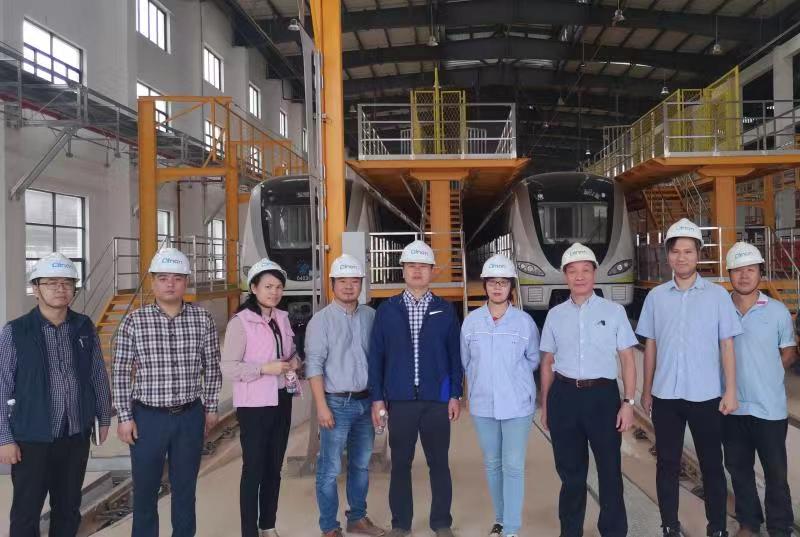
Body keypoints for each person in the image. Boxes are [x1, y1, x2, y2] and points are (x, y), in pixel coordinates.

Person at [636, 218, 741, 537]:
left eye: (688, 251)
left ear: (699, 255)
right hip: (666, 396)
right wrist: (646, 390)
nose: (681, 257)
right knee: (667, 464)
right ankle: (669, 524)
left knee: (711, 464)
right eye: (676, 251)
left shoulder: (717, 296)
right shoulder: (656, 297)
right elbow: (651, 346)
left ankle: (717, 527)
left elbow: (727, 345)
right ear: (668, 255)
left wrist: (731, 390)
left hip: (705, 395)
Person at [0, 252, 112, 537]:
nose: (60, 288)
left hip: (74, 435)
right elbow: (2, 385)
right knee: (26, 513)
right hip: (31, 439)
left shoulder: (84, 326)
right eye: (51, 283)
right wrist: (4, 438)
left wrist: (103, 416)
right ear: (36, 288)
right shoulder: (16, 331)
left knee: (68, 509)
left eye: (67, 283)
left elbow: (97, 374)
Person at [113, 247, 223, 537]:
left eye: (177, 278)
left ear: (186, 282)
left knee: (185, 490)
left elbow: (212, 367)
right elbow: (121, 372)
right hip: (148, 419)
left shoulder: (203, 319)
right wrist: (124, 417)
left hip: (189, 416)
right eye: (163, 278)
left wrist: (211, 407)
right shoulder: (134, 322)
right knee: (145, 492)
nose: (170, 284)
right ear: (152, 282)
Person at [538, 243, 638, 537]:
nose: (579, 276)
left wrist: (628, 402)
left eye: (585, 270)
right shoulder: (555, 315)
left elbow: (627, 359)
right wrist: (546, 404)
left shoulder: (614, 311)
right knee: (571, 474)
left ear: (594, 273)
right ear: (565, 276)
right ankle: (570, 531)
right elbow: (547, 363)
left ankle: (613, 531)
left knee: (610, 471)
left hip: (602, 399)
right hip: (564, 397)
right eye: (573, 271)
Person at [368, 240, 463, 537]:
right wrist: (377, 398)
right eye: (411, 266)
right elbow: (376, 357)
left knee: (439, 464)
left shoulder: (445, 310)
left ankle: (441, 522)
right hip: (400, 401)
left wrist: (454, 394)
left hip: (436, 401)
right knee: (401, 464)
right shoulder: (387, 310)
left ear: (432, 271)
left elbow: (454, 356)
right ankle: (401, 523)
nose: (417, 271)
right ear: (403, 271)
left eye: (423, 266)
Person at [460, 254, 540, 537]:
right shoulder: (471, 322)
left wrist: (513, 382)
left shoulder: (524, 322)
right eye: (492, 282)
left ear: (511, 287)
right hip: (483, 405)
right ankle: (501, 519)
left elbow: (533, 359)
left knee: (513, 466)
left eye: (503, 282)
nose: (497, 287)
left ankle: (511, 529)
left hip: (517, 406)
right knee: (493, 465)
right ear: (485, 285)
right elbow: (466, 362)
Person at [306, 254, 385, 537]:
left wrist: (379, 402)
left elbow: (379, 359)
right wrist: (321, 407)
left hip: (366, 402)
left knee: (361, 465)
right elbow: (314, 366)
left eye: (354, 281)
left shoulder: (371, 316)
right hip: (336, 404)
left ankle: (357, 518)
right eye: (342, 281)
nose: (349, 286)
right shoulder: (321, 321)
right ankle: (329, 527)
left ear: (362, 284)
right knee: (329, 468)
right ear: (332, 284)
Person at [221, 258, 300, 537]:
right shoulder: (241, 322)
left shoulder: (282, 318)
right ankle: (249, 531)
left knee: (273, 467)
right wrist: (264, 369)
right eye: (268, 286)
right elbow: (228, 367)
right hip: (254, 406)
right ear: (253, 288)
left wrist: (295, 362)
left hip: (281, 399)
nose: (274, 292)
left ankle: (268, 525)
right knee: (253, 468)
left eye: (278, 287)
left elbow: (290, 352)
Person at [723, 242, 796, 537]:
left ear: (760, 274)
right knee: (738, 469)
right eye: (738, 270)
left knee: (775, 472)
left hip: (769, 408)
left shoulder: (777, 311)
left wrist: (768, 371)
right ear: (729, 273)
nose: (744, 276)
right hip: (731, 407)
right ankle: (749, 523)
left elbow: (788, 351)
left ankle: (780, 527)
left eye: (750, 270)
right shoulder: (719, 309)